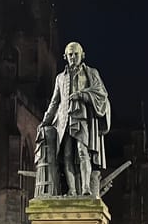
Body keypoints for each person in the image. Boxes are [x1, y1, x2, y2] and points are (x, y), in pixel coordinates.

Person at [37, 41, 111, 197]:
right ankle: (72, 190)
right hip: (64, 121)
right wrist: (45, 121)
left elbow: (102, 94)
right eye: (70, 54)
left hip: (82, 119)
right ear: (65, 56)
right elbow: (54, 102)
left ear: (82, 55)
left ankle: (85, 188)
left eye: (76, 54)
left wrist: (83, 95)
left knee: (83, 152)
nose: (73, 57)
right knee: (67, 156)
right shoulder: (60, 78)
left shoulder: (91, 73)